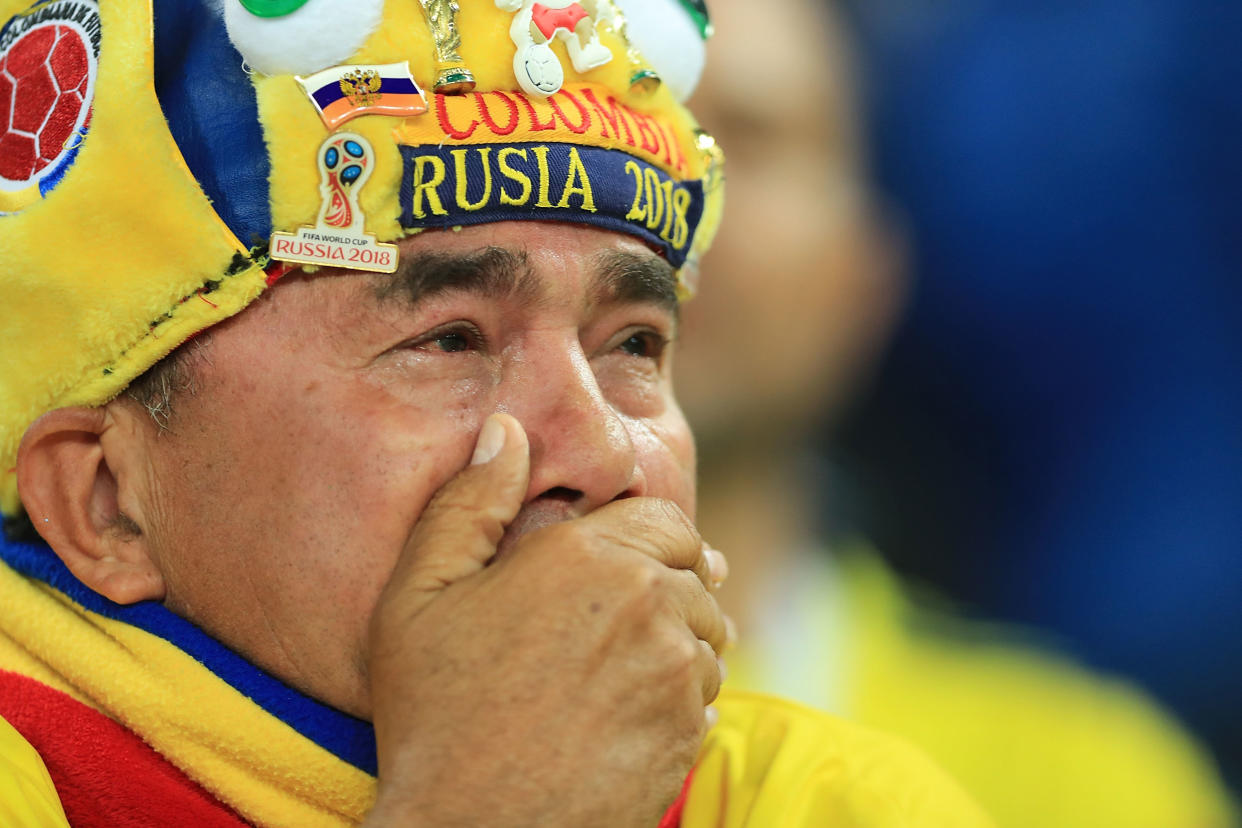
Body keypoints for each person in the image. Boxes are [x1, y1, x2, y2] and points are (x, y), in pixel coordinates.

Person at [0, 0, 992, 825]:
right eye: (450, 341)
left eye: (634, 344)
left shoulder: (817, 805)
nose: (602, 449)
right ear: (104, 501)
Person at [676, 0, 1238, 825]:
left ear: (863, 280)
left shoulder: (1088, 778)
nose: (662, 195)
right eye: (627, 126)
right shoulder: (421, 725)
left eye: (749, 140)